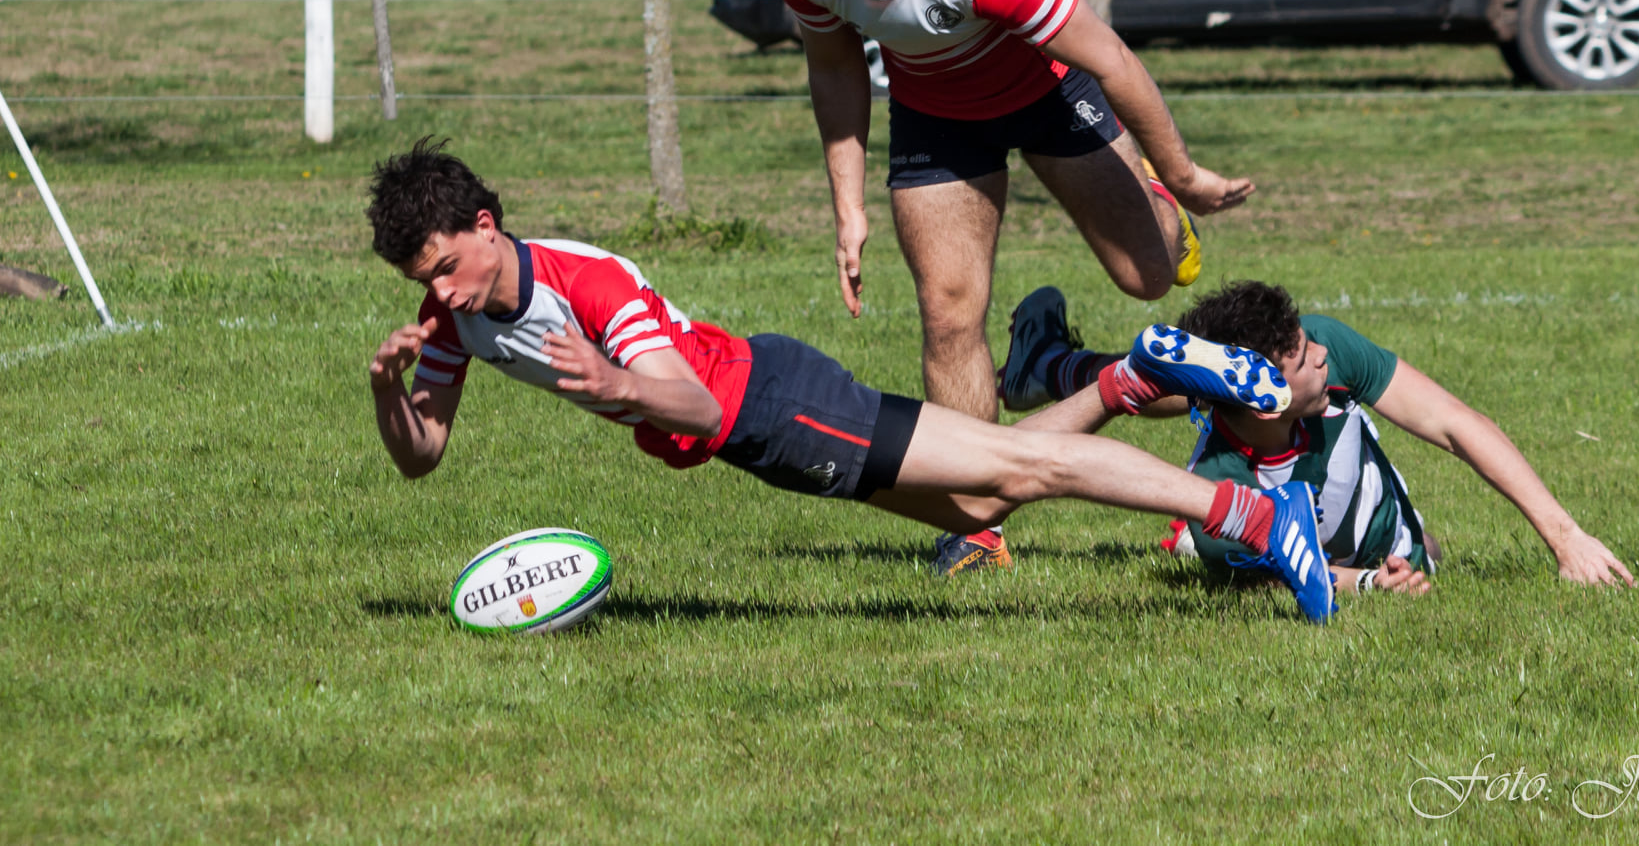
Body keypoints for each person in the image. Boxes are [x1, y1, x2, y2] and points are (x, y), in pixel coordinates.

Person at [361, 140, 1336, 620]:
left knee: (1020, 474)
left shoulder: (585, 283)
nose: (440, 291)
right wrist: (386, 395)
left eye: (446, 266)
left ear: (485, 227)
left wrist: (613, 385)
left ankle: (1253, 517)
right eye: (422, 282)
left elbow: (690, 400)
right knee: (978, 503)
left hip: (774, 403)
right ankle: (1130, 380)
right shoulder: (452, 321)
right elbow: (422, 456)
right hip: (756, 438)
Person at [774, 0, 1254, 574]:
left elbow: (1112, 60)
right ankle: (974, 525)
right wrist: (847, 208)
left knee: (1149, 275)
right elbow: (834, 68)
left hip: (1048, 95)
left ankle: (1060, 349)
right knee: (948, 312)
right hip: (934, 118)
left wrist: (1183, 174)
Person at [996, 281, 1637, 594]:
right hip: (1253, 518)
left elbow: (1456, 422)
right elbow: (1283, 580)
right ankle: (1059, 368)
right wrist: (1367, 584)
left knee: (1170, 386)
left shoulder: (1325, 350)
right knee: (1161, 395)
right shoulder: (1218, 491)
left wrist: (1567, 538)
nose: (1323, 354)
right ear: (1263, 392)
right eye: (1303, 357)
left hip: (1388, 535)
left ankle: (1046, 364)